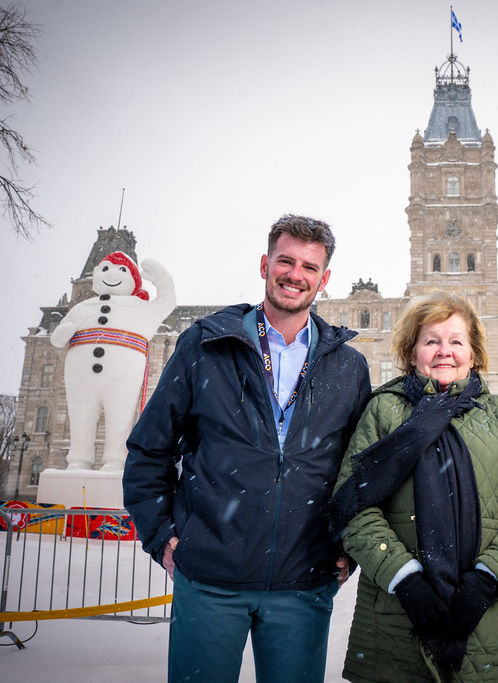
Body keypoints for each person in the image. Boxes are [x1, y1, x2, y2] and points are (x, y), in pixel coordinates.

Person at [123, 214, 372, 683]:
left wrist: (347, 548)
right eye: (285, 260)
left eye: (309, 267)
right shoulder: (205, 344)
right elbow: (149, 449)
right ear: (265, 264)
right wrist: (163, 537)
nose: (295, 275)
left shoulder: (349, 366)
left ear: (324, 279)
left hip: (303, 584)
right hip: (211, 579)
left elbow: (359, 474)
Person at [326, 291, 498, 682]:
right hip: (396, 619)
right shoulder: (384, 411)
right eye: (431, 340)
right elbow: (354, 502)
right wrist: (405, 578)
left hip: (491, 621)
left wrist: (488, 577)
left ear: (475, 352)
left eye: (456, 341)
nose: (444, 351)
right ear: (412, 351)